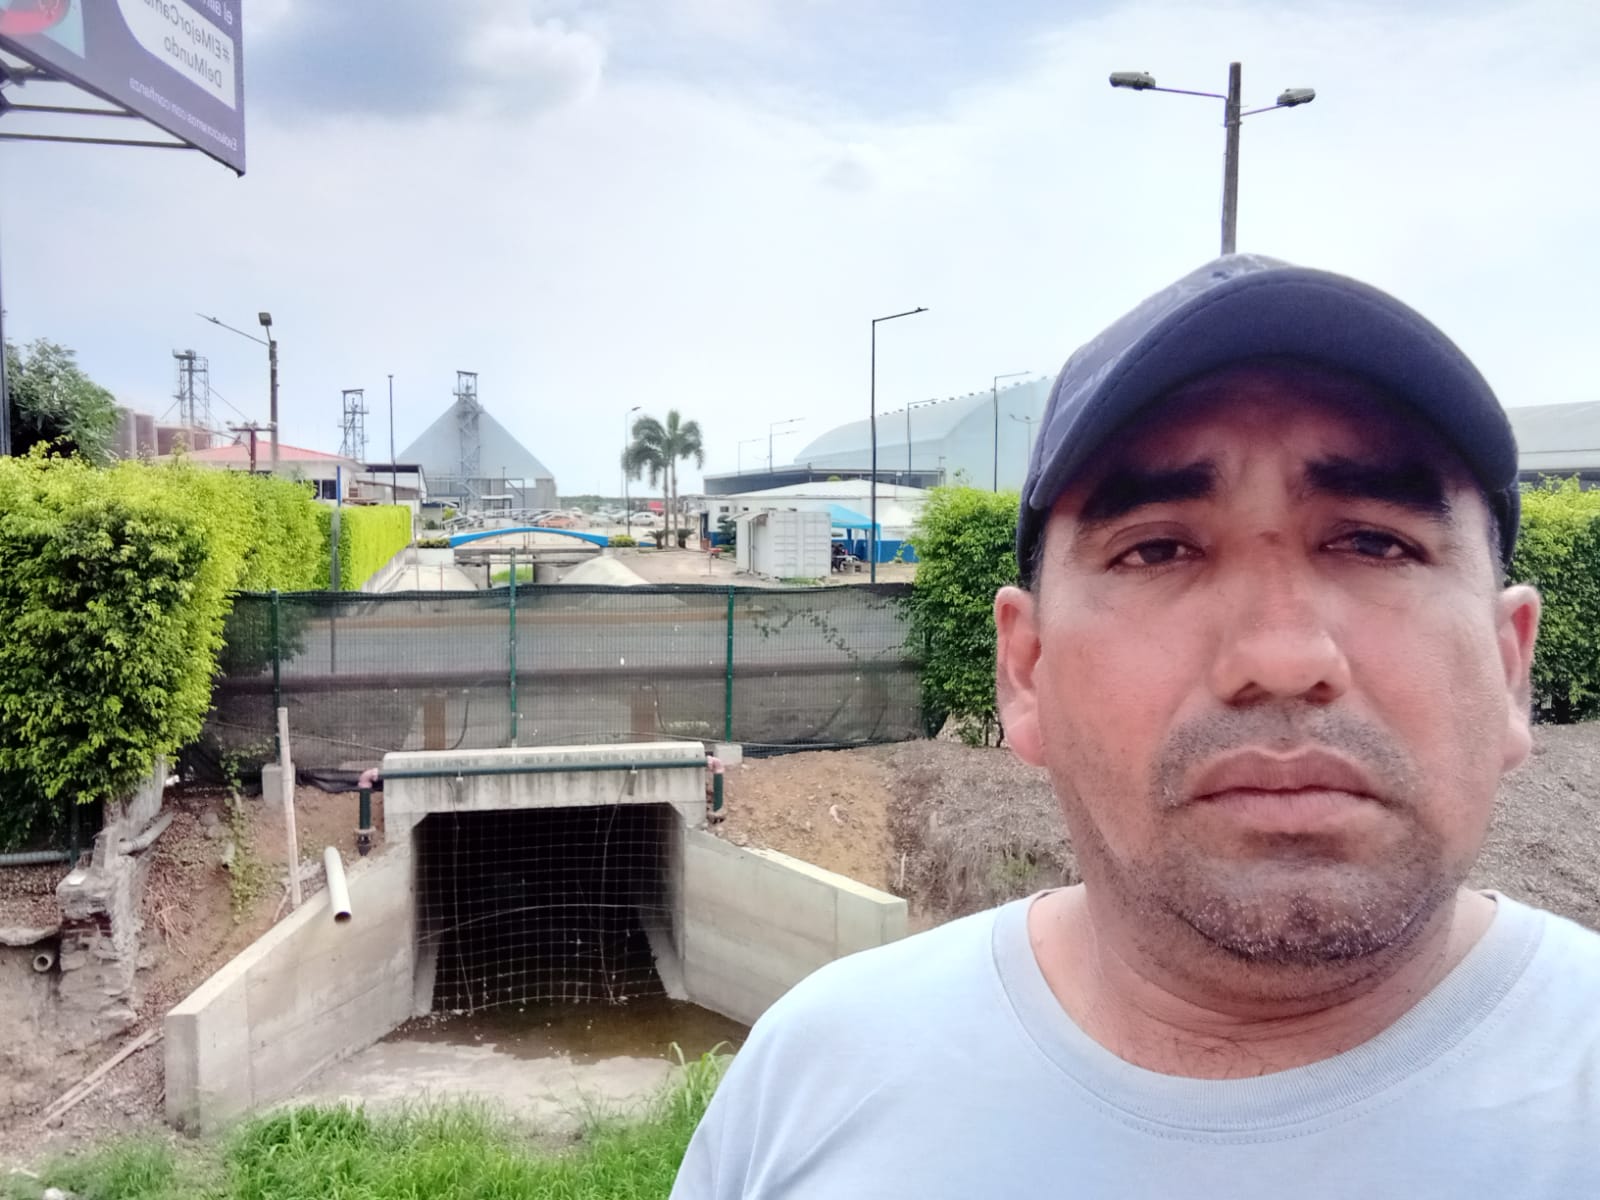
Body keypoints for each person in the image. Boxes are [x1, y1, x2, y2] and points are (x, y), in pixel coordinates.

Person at [670, 255, 1600, 1198]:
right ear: (1025, 671)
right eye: (1156, 549)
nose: (1282, 657)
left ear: (1509, 666)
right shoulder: (808, 1081)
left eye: (1375, 542)